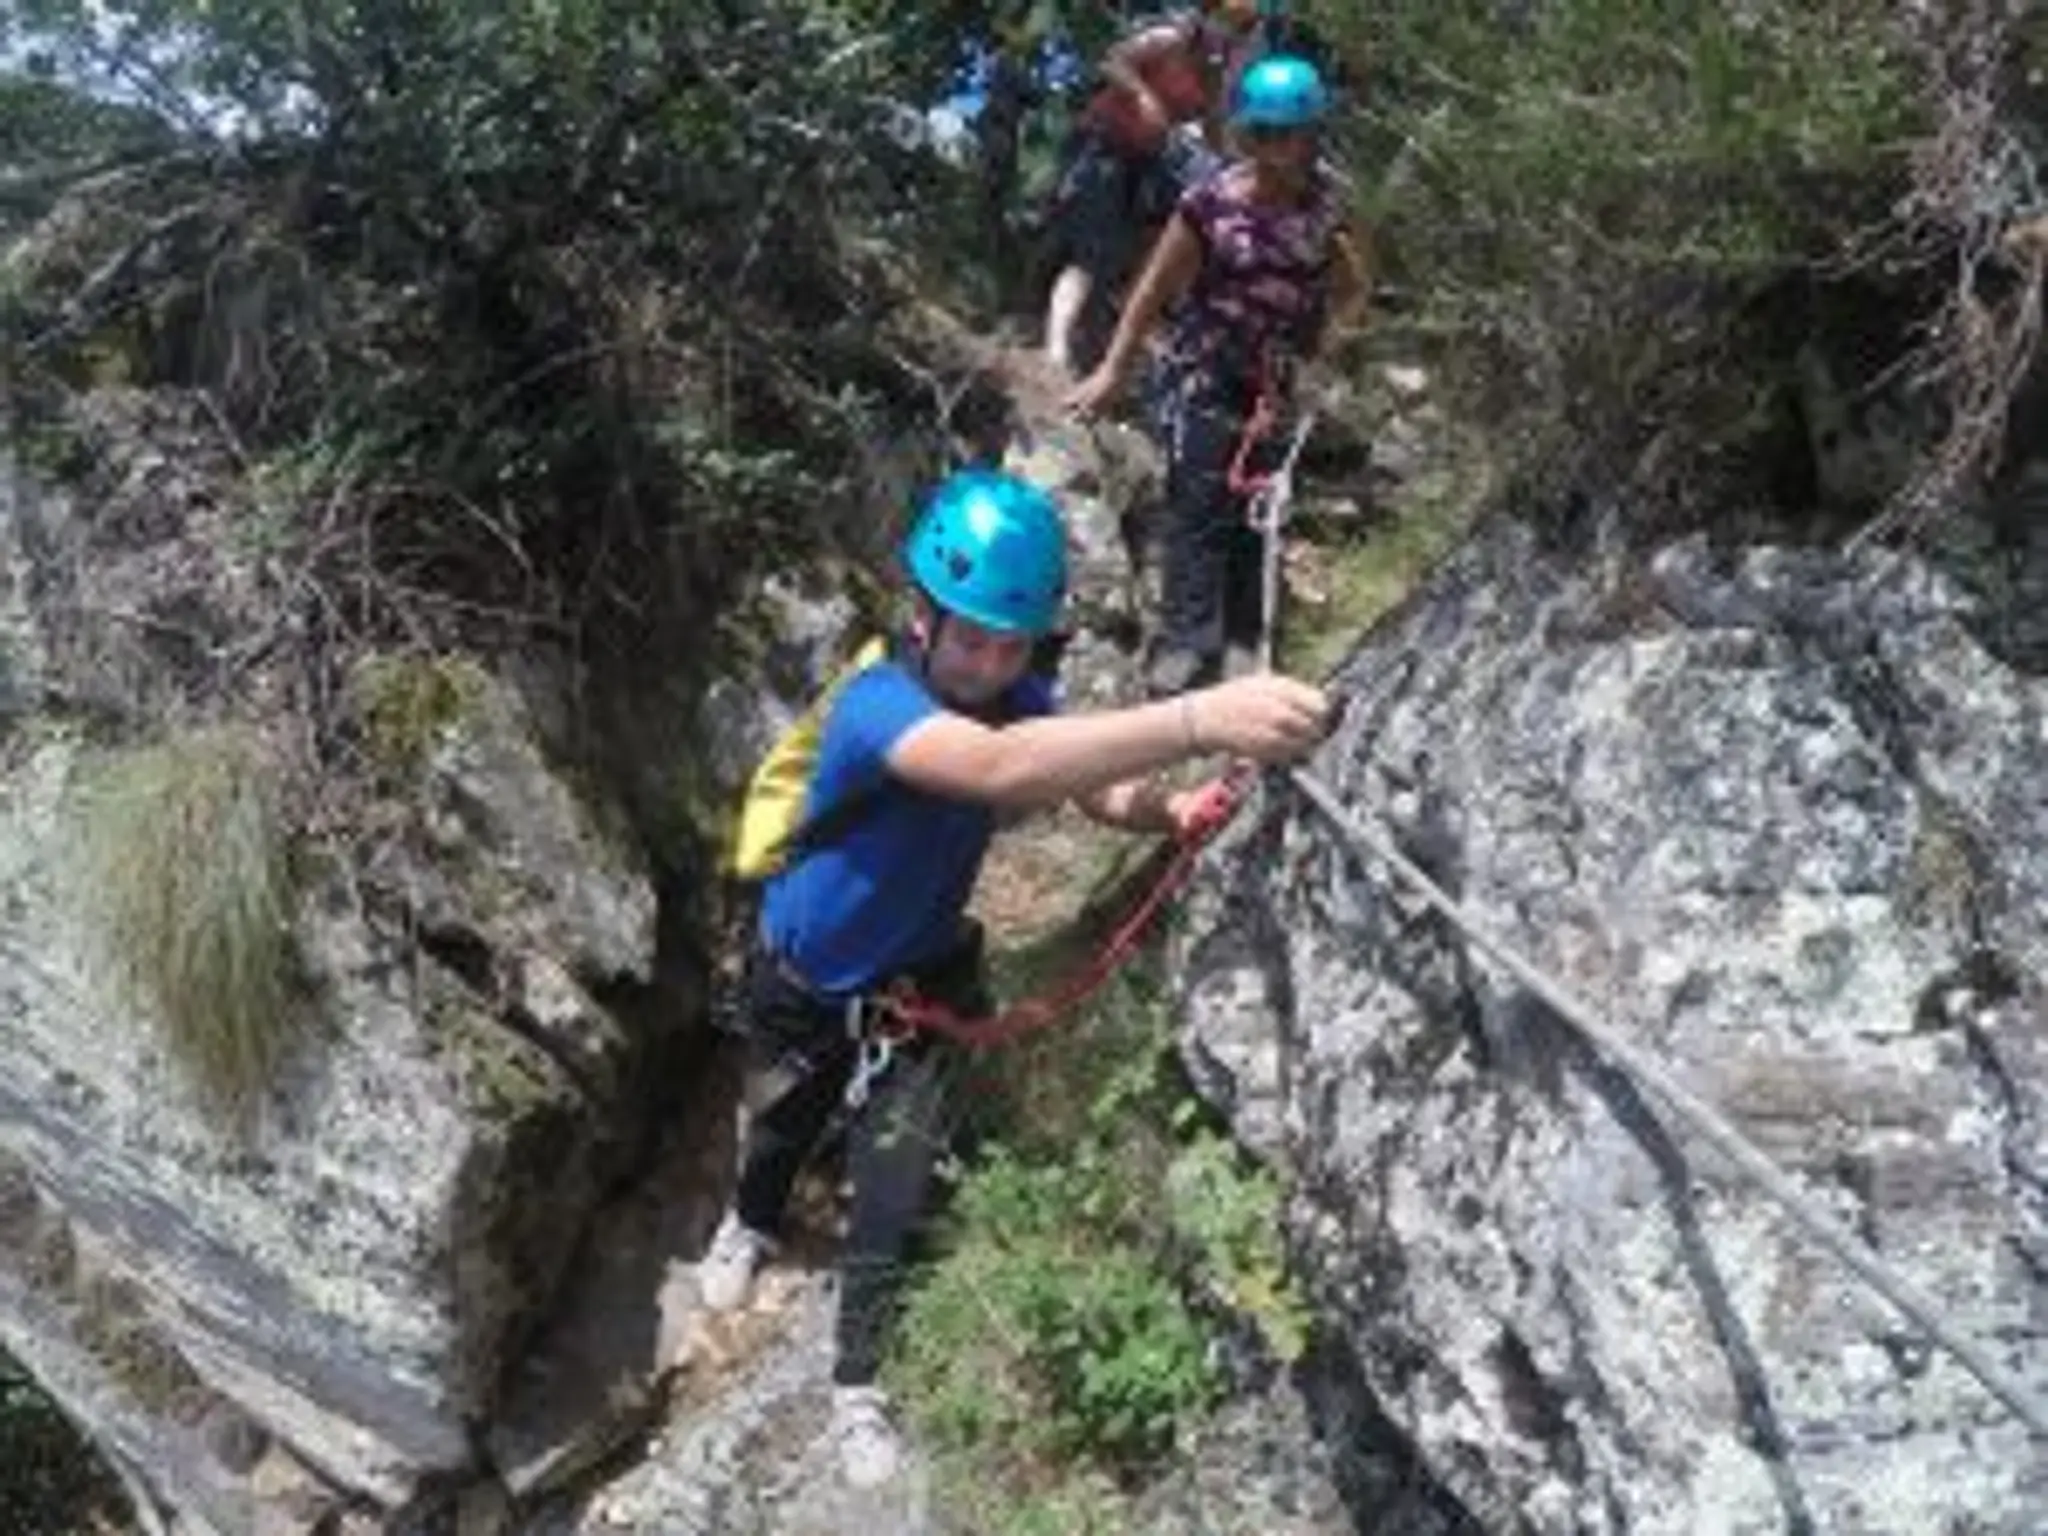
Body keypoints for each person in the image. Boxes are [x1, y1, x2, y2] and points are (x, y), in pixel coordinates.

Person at [695, 467, 1332, 1489]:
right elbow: (995, 771)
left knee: (892, 1190)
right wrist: (1199, 718)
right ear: (920, 615)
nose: (993, 664)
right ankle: (750, 1221)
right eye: (974, 637)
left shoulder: (1015, 696)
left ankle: (855, 1381)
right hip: (802, 979)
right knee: (776, 1121)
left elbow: (1080, 776)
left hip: (914, 989)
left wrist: (1160, 813)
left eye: (1013, 643)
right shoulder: (875, 704)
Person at [1067, 54, 1371, 698]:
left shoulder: (1329, 210)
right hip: (1205, 368)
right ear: (1245, 133)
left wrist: (1325, 355)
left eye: (1289, 133)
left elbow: (1352, 288)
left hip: (1277, 377)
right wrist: (1112, 371)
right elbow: (1153, 289)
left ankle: (1242, 639)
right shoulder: (1207, 206)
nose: (1276, 148)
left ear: (1313, 133)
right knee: (1199, 500)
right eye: (1263, 133)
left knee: (1257, 507)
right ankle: (1186, 642)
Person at [1041, 0, 1264, 379]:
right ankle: (1056, 348)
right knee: (1092, 253)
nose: (1231, 34)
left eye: (1242, 28)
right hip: (1104, 143)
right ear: (1209, 17)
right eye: (1229, 22)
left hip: (1149, 162)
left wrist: (1238, 168)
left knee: (1163, 242)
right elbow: (1113, 60)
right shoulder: (1170, 39)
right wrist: (1143, 95)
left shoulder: (1215, 75)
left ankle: (1116, 338)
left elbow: (1213, 128)